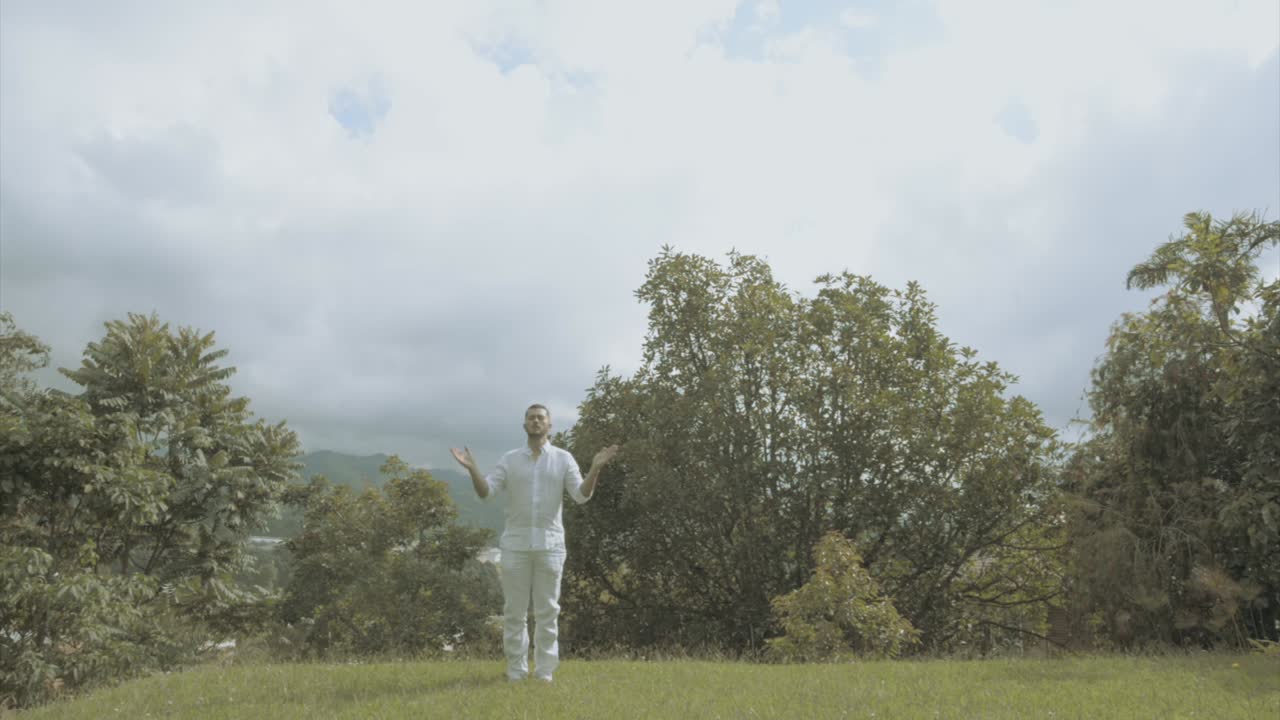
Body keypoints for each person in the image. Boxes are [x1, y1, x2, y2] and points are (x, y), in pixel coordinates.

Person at [450, 403, 618, 683]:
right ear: (525, 425)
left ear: (549, 425)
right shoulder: (510, 459)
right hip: (515, 546)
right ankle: (516, 672)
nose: (536, 422)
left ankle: (544, 673)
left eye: (541, 418)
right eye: (531, 418)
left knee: (548, 611)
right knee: (514, 612)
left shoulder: (564, 459)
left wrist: (596, 469)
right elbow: (486, 493)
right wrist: (472, 469)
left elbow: (581, 495)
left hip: (551, 546)